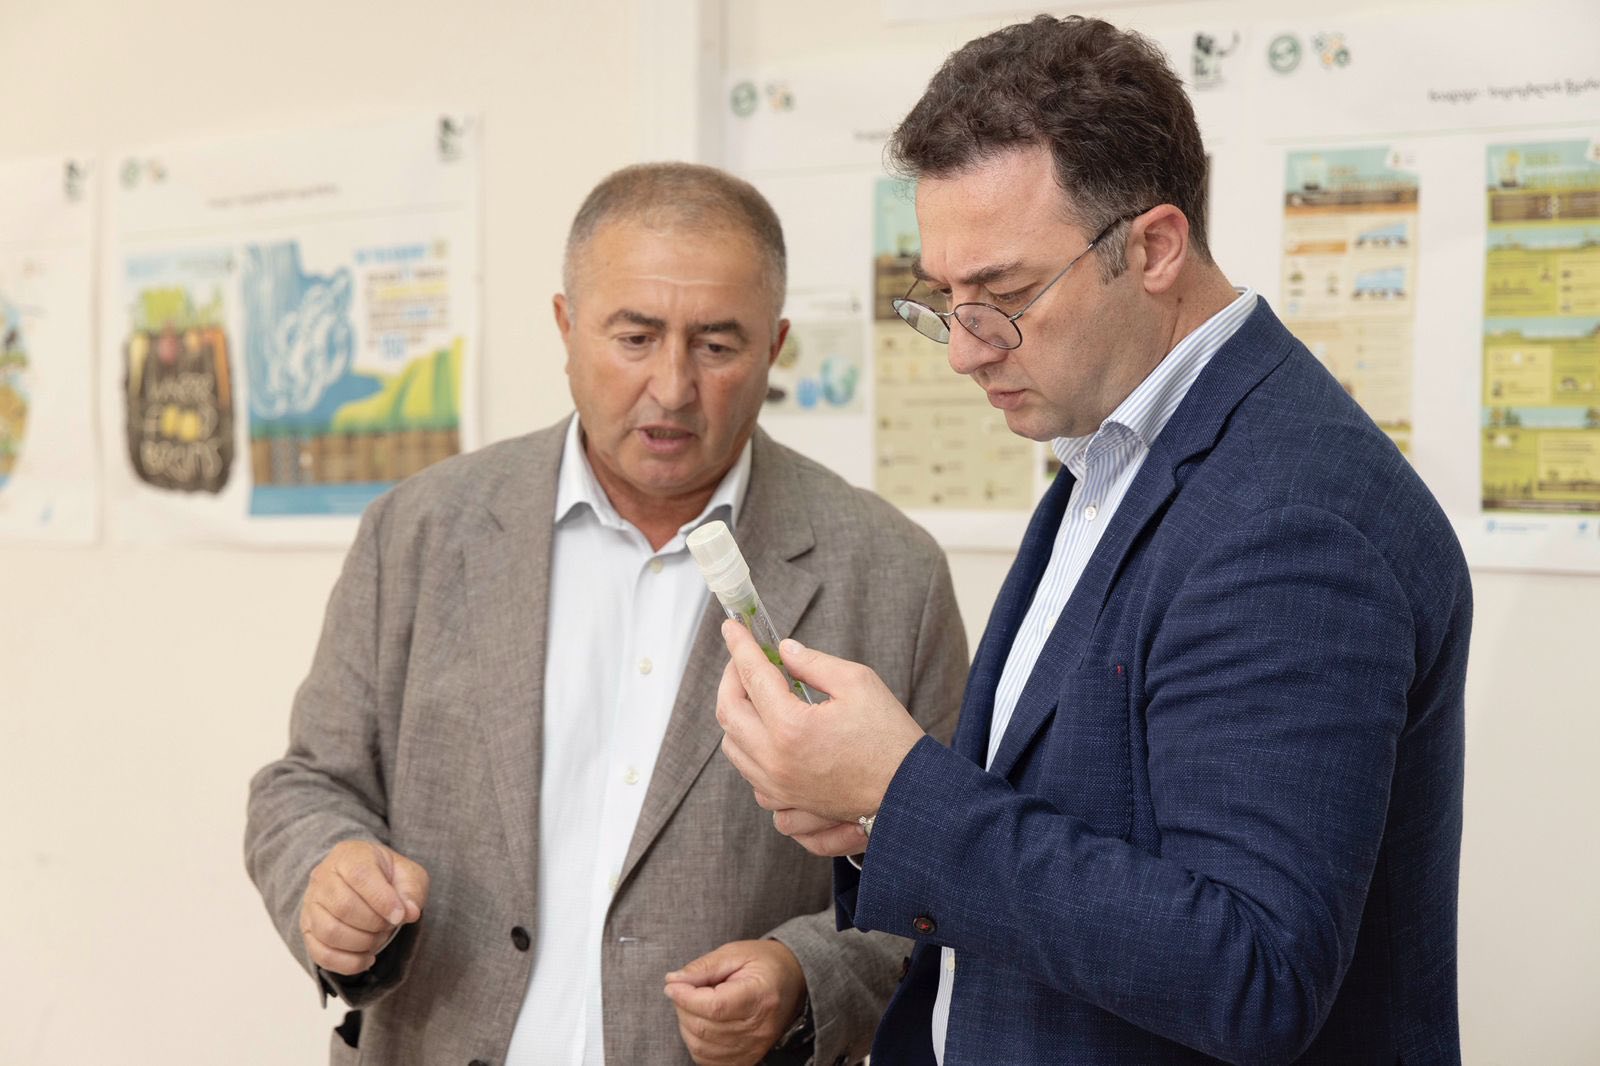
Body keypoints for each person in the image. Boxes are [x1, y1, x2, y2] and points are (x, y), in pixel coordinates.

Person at [715, 16, 1470, 1066]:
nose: (964, 350)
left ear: (1154, 248)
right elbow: (1070, 822)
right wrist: (877, 815)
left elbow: (1252, 973)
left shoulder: (1289, 517)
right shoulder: (1116, 444)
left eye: (1004, 297)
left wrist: (902, 791)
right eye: (946, 299)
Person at [245, 162, 967, 1066]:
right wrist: (327, 873)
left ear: (776, 346)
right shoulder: (421, 528)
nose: (671, 387)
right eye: (634, 337)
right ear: (566, 327)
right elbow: (307, 784)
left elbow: (943, 881)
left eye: (717, 345)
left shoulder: (892, 574)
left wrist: (804, 975)